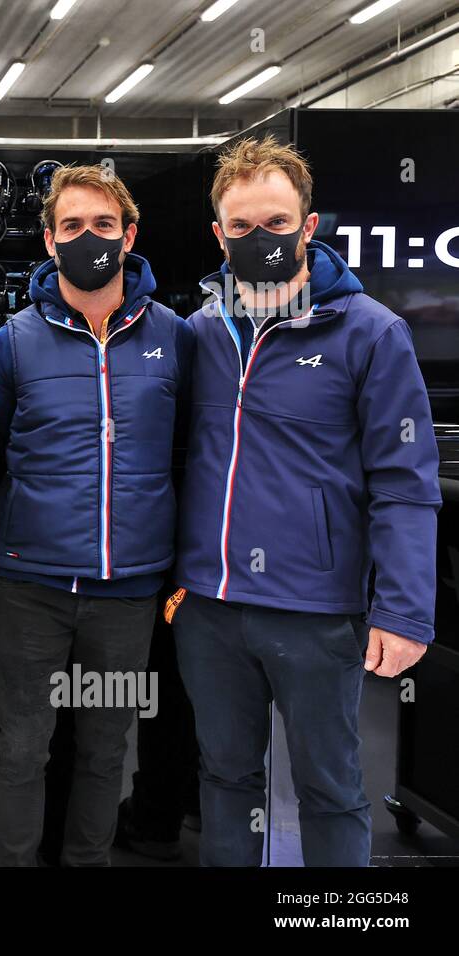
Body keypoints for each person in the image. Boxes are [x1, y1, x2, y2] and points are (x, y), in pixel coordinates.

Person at [173, 136, 441, 867]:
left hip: (318, 613)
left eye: (277, 222)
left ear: (308, 226)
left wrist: (404, 609)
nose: (261, 239)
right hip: (211, 609)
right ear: (219, 234)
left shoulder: (373, 334)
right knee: (225, 781)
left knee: (330, 787)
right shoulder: (200, 332)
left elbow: (404, 481)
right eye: (242, 226)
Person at [0, 164, 193, 866]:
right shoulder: (13, 340)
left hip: (129, 591)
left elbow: (192, 452)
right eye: (72, 227)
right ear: (48, 240)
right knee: (22, 750)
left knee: (105, 749)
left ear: (129, 235)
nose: (88, 238)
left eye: (103, 225)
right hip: (32, 586)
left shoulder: (176, 338)